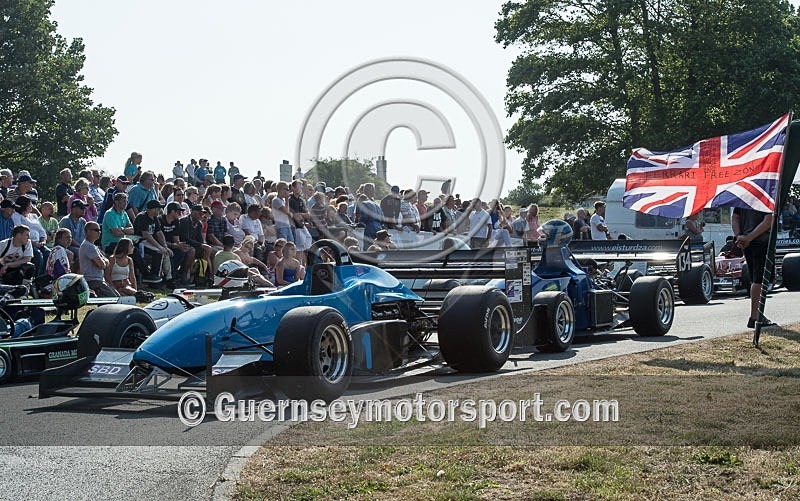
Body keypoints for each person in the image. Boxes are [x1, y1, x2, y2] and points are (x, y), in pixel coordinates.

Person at [733, 207, 776, 329]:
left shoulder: (744, 198)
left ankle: (757, 315)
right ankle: (755, 317)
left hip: (747, 243)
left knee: (756, 279)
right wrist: (749, 237)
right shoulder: (767, 197)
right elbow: (768, 221)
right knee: (760, 280)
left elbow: (735, 218)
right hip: (761, 241)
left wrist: (739, 236)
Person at [133, 199, 172, 284]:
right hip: (140, 241)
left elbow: (159, 233)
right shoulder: (142, 217)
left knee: (165, 252)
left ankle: (168, 278)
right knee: (159, 252)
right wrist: (159, 247)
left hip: (149, 242)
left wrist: (165, 246)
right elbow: (146, 235)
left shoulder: (155, 218)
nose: (159, 210)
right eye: (158, 209)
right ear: (151, 209)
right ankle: (154, 277)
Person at [79, 222, 118, 297]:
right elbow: (102, 265)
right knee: (114, 298)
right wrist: (104, 260)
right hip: (93, 282)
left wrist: (103, 260)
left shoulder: (92, 246)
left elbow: (105, 262)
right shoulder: (89, 246)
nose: (99, 232)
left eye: (100, 230)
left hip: (98, 280)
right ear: (88, 231)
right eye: (96, 230)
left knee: (116, 296)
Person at [161, 202, 194, 286]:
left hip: (172, 245)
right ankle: (170, 277)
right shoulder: (160, 220)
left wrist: (179, 245)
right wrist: (174, 245)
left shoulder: (176, 222)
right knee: (169, 253)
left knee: (186, 250)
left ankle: (181, 275)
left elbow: (176, 239)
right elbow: (159, 239)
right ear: (172, 211)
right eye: (178, 212)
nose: (180, 214)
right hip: (161, 245)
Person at [179, 204, 214, 276]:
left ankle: (204, 274)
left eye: (203, 214)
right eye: (200, 213)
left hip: (194, 245)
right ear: (193, 213)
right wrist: (201, 245)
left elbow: (200, 239)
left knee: (208, 250)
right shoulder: (185, 221)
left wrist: (203, 246)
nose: (202, 216)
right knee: (192, 251)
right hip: (183, 245)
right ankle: (184, 274)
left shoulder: (199, 224)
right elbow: (185, 239)